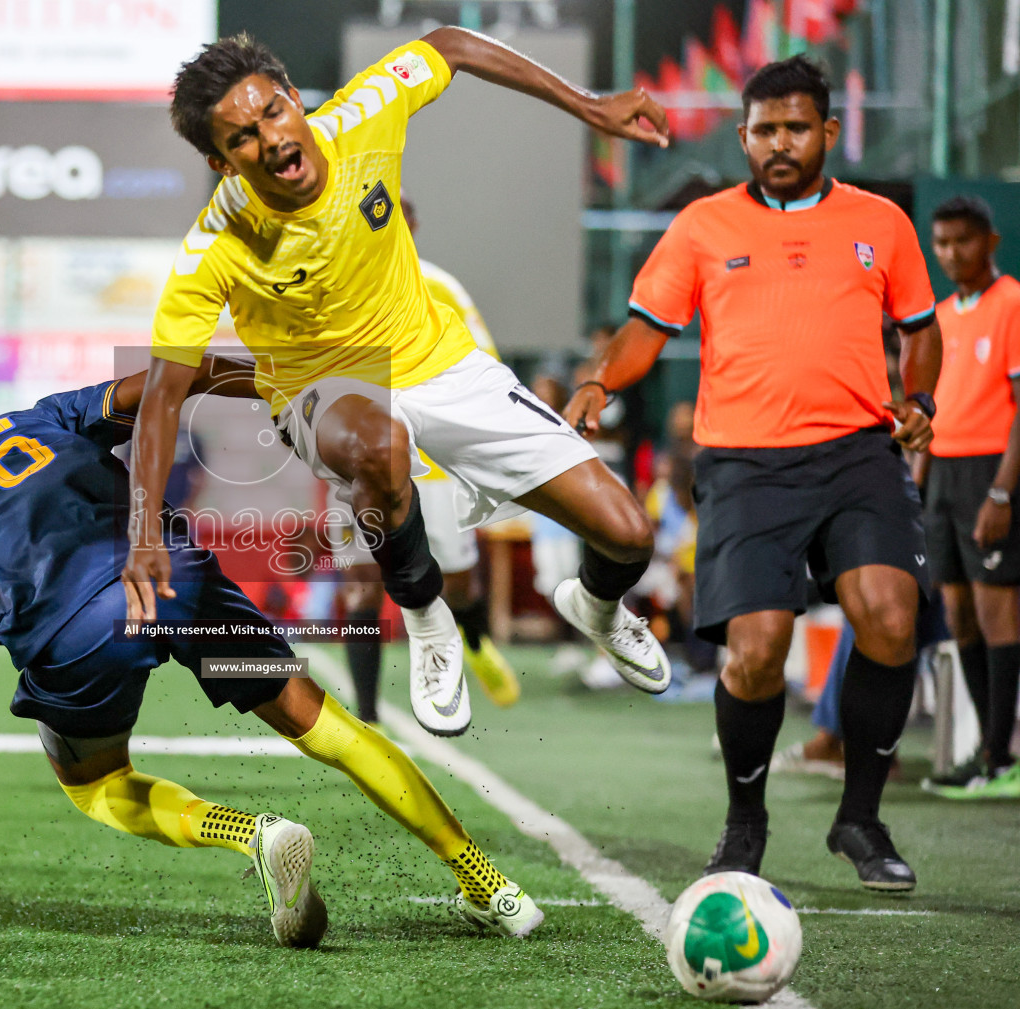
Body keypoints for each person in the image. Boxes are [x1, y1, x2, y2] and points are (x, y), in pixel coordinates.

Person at [0, 362, 547, 946]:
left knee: (97, 786)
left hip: (83, 630)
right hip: (173, 575)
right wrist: (283, 382)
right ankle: (491, 885)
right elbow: (170, 377)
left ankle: (252, 832)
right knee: (329, 728)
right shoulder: (32, 421)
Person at [128, 28, 676, 740]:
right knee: (377, 444)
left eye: (272, 113)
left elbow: (450, 44)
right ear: (220, 160)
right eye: (241, 138)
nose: (268, 139)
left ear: (295, 100)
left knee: (628, 535)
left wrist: (586, 104)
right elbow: (164, 394)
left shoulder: (362, 117)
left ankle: (598, 609)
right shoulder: (214, 246)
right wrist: (143, 530)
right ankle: (426, 618)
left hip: (443, 364)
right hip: (320, 393)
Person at [564, 55, 943, 892]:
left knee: (890, 615)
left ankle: (862, 820)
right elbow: (643, 330)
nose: (779, 143)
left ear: (827, 133)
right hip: (742, 462)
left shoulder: (881, 222)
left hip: (857, 451)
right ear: (743, 136)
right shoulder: (701, 227)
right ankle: (746, 821)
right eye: (765, 129)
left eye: (796, 127)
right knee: (755, 655)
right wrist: (599, 378)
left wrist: (919, 395)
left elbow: (919, 325)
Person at [331, 190, 520, 725]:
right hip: (357, 467)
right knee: (362, 586)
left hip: (433, 469)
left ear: (411, 227)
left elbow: (482, 363)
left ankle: (475, 643)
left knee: (457, 582)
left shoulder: (439, 286)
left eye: (395, 221)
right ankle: (367, 718)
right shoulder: (333, 288)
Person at [919, 194, 1020, 798]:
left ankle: (1000, 760)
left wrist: (1003, 494)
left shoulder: (1012, 303)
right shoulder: (939, 314)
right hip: (943, 477)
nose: (952, 252)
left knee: (996, 613)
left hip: (992, 475)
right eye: (942, 242)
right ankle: (987, 753)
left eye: (963, 240)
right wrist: (914, 483)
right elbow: (932, 410)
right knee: (958, 615)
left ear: (990, 241)